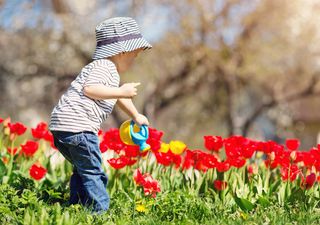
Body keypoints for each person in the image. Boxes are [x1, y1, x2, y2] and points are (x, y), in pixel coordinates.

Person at [49, 17, 151, 213]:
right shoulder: (105, 67)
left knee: (82, 170)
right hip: (79, 128)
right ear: (122, 51)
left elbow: (116, 95)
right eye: (134, 55)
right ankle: (99, 212)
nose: (134, 60)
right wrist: (121, 91)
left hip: (63, 128)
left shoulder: (102, 69)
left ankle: (77, 206)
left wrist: (136, 115)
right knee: (94, 172)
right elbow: (91, 89)